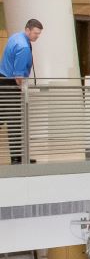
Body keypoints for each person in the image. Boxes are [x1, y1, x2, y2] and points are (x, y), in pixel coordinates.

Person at [0, 19, 41, 165]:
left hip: (2, 82)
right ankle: (18, 158)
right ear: (27, 30)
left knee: (7, 120)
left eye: (39, 34)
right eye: (35, 33)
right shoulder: (23, 47)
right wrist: (24, 90)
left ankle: (19, 156)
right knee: (15, 123)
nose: (37, 36)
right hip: (10, 85)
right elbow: (18, 77)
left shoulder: (15, 37)